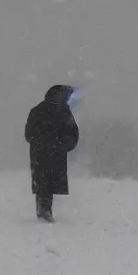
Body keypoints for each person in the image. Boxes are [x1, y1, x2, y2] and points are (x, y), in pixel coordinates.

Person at [24, 84, 79, 222]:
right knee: (46, 183)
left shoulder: (39, 110)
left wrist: (55, 145)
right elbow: (72, 134)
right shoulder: (61, 112)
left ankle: (43, 211)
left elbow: (29, 134)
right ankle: (44, 211)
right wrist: (60, 145)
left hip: (44, 154)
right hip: (49, 155)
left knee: (43, 183)